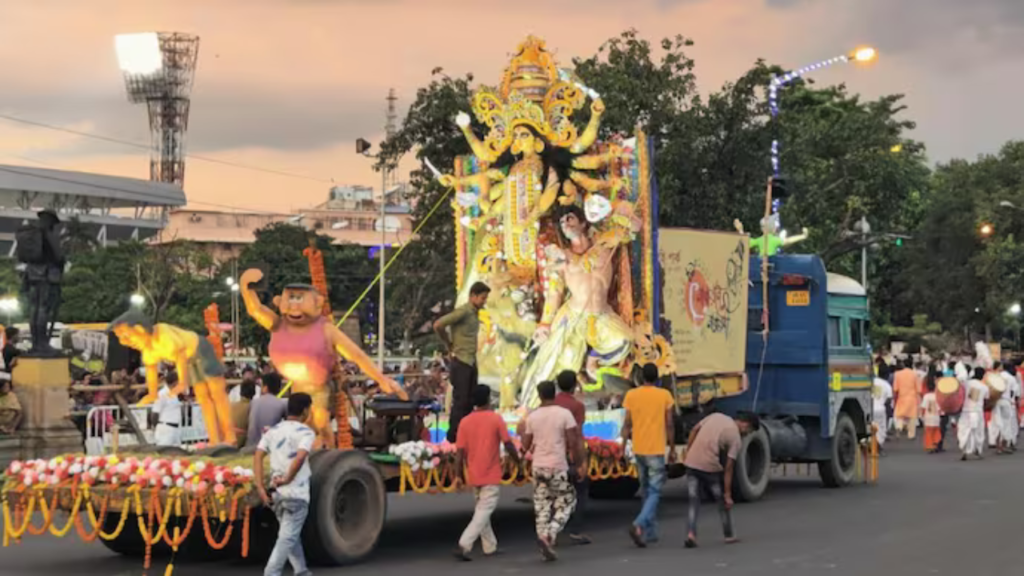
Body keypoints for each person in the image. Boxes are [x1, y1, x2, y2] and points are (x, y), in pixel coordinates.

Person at [453, 385, 520, 561]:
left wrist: (458, 475)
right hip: (490, 473)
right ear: (489, 399)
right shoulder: (496, 419)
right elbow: (508, 443)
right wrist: (518, 461)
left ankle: (490, 546)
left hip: (473, 473)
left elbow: (459, 453)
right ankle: (464, 544)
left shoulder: (465, 421)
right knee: (483, 512)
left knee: (482, 511)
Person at [521, 380, 584, 562]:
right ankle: (551, 532)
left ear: (539, 395)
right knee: (567, 501)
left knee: (541, 505)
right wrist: (578, 463)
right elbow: (573, 442)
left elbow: (526, 445)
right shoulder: (564, 414)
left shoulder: (532, 416)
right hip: (557, 465)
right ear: (554, 394)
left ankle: (543, 537)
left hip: (538, 466)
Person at [255, 393, 315, 576]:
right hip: (296, 494)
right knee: (287, 537)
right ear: (305, 410)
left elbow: (258, 456)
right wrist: (288, 478)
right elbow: (300, 457)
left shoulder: (272, 431)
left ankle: (301, 571)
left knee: (289, 534)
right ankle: (271, 573)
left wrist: (260, 487)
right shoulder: (306, 432)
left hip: (276, 494)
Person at [683, 411, 759, 548]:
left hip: (691, 464)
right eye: (749, 431)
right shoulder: (736, 438)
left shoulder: (716, 416)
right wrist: (728, 494)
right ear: (745, 424)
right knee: (722, 501)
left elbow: (694, 429)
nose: (747, 434)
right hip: (709, 468)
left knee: (693, 501)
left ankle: (691, 534)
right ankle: (729, 535)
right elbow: (729, 467)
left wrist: (689, 452)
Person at [621, 363, 675, 547]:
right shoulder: (665, 395)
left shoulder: (631, 395)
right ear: (657, 378)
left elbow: (627, 424)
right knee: (655, 491)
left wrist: (622, 446)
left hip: (639, 449)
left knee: (645, 490)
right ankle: (639, 523)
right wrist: (672, 447)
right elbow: (669, 424)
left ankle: (650, 532)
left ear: (641, 377)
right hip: (656, 450)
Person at [434, 281, 490, 443]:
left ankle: (467, 435)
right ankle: (453, 437)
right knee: (461, 401)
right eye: (482, 298)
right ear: (473, 296)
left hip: (471, 361)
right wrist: (448, 344)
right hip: (461, 361)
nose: (484, 302)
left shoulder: (474, 313)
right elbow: (438, 325)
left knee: (470, 400)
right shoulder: (463, 311)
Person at [17, 209, 65, 355]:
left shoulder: (31, 233)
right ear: (50, 221)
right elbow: (58, 256)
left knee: (34, 309)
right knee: (43, 309)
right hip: (46, 275)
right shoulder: (48, 234)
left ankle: (36, 344)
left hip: (32, 275)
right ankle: (42, 344)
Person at [553, 369, 591, 545]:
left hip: (550, 455)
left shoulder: (550, 403)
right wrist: (582, 462)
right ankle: (575, 530)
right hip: (568, 455)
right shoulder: (577, 406)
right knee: (581, 490)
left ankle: (553, 529)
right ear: (575, 385)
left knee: (555, 493)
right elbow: (577, 437)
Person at [247, 372, 288, 447]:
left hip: (250, 446)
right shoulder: (282, 403)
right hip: (270, 448)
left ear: (265, 387)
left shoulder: (253, 402)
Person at [958, 367, 990, 461]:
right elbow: (986, 400)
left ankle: (964, 451)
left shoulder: (966, 383)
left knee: (964, 431)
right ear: (983, 375)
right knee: (978, 432)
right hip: (978, 411)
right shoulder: (984, 387)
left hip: (966, 411)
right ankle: (978, 451)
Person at [988, 362, 1017, 454]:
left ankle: (998, 447)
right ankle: (1004, 446)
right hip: (1006, 402)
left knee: (997, 424)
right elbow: (1013, 392)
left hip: (996, 401)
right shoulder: (1011, 378)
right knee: (1006, 424)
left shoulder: (996, 376)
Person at [152, 374, 183, 447]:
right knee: (164, 450)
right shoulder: (162, 394)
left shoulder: (174, 393)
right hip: (165, 428)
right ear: (175, 382)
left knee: (177, 452)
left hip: (176, 429)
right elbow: (155, 413)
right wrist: (156, 427)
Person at [892, 361, 919, 440]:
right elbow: (918, 388)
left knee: (900, 415)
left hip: (902, 397)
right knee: (912, 417)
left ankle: (899, 427)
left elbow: (895, 388)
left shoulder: (897, 374)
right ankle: (911, 434)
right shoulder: (914, 374)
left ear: (903, 365)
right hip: (912, 397)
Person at [231, 381, 256, 448]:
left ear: (240, 392)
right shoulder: (253, 407)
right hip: (244, 444)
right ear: (254, 393)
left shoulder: (231, 406)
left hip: (228, 441)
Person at [920, 377, 942, 453]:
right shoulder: (938, 396)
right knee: (936, 431)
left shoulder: (926, 396)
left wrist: (922, 416)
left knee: (928, 432)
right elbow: (940, 408)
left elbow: (923, 407)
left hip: (928, 417)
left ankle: (930, 445)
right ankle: (935, 443)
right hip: (936, 417)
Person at [872, 375, 893, 451]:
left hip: (868, 408)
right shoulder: (885, 384)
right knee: (881, 428)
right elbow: (889, 398)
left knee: (870, 427)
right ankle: (878, 444)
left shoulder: (866, 382)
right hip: (880, 408)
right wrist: (883, 403)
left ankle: (871, 444)